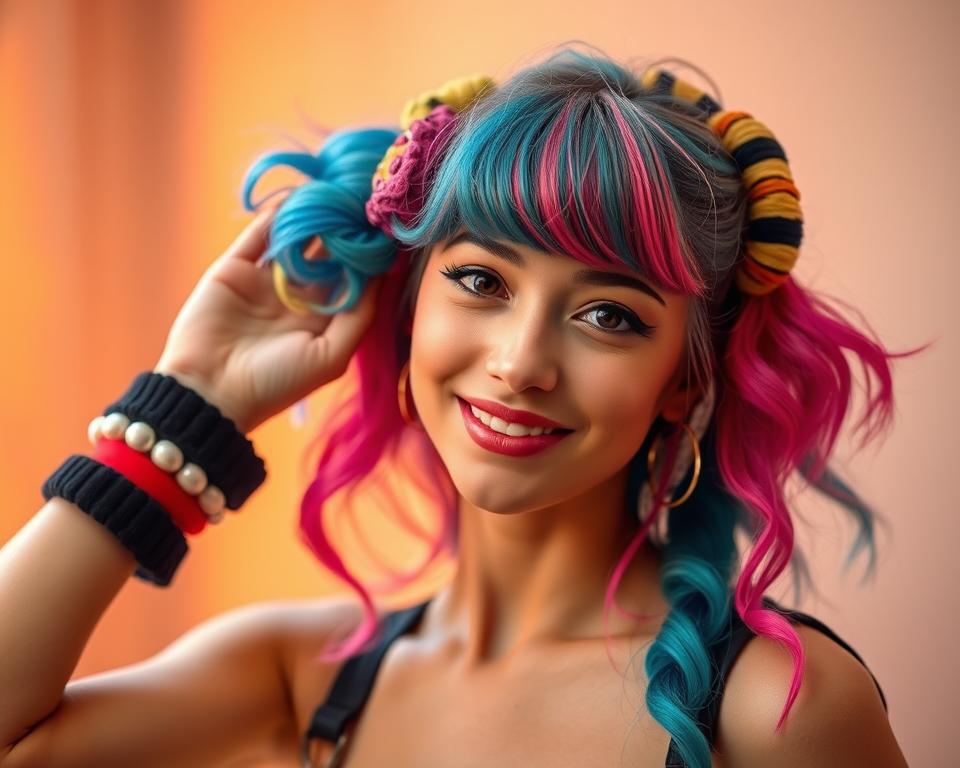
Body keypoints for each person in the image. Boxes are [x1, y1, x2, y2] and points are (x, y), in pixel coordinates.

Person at [0, 46, 912, 767]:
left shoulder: (777, 709)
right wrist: (190, 401)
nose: (521, 364)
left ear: (684, 380)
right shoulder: (304, 678)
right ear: (408, 304)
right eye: (480, 278)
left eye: (608, 314)